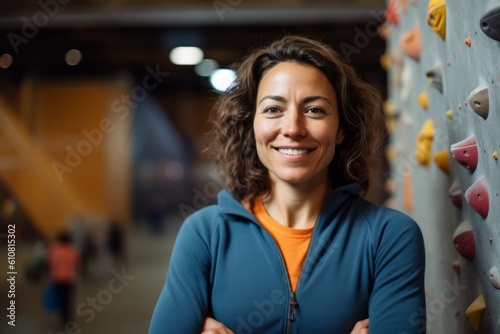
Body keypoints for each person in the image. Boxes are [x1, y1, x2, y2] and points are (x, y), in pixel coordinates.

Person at [149, 35, 426, 333]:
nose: (293, 128)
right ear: (250, 124)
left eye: (315, 110)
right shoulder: (205, 234)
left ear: (342, 128)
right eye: (273, 110)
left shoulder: (389, 237)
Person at [46, 231, 80, 325]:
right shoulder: (72, 250)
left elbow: (49, 263)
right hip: (70, 278)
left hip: (57, 278)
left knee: (60, 298)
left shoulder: (55, 250)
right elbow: (77, 263)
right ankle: (68, 316)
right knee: (68, 298)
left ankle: (62, 316)